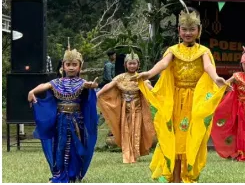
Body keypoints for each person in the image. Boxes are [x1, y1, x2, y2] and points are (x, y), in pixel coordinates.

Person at [135, 7, 229, 182]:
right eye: (184, 29)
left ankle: (187, 177)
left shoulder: (204, 52)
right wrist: (148, 74)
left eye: (192, 29)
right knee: (176, 140)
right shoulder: (173, 50)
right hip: (175, 102)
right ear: (179, 30)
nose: (188, 33)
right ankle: (175, 178)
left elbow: (208, 67)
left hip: (195, 101)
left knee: (190, 140)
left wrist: (217, 79)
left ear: (198, 31)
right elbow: (163, 64)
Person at [28, 45, 99, 183]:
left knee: (76, 146)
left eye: (74, 64)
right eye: (68, 64)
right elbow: (44, 85)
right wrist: (32, 92)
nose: (71, 67)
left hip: (77, 120)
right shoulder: (57, 82)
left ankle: (74, 174)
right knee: (60, 146)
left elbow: (89, 85)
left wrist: (92, 86)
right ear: (63, 66)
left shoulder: (82, 82)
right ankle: (59, 174)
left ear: (80, 67)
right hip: (60, 120)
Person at [97, 52, 155, 164]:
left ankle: (135, 153)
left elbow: (151, 89)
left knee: (136, 130)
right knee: (125, 131)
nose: (132, 66)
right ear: (125, 64)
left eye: (134, 64)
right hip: (124, 109)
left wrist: (159, 96)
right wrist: (98, 94)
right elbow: (109, 85)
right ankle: (127, 154)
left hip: (137, 109)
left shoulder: (140, 77)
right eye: (130, 63)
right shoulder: (120, 77)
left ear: (138, 65)